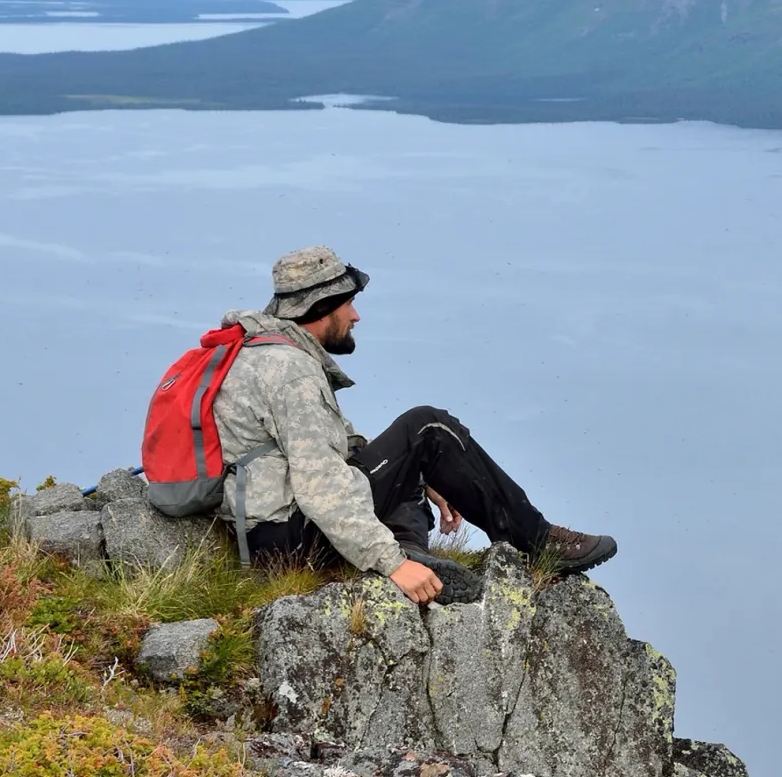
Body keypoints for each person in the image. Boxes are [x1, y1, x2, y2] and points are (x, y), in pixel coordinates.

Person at [212, 245, 616, 603]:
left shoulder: (260, 355)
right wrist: (391, 565)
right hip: (290, 543)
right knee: (428, 428)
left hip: (269, 533)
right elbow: (320, 486)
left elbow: (337, 451)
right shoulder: (290, 372)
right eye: (348, 304)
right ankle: (539, 541)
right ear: (321, 307)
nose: (356, 316)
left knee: (403, 460)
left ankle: (413, 550)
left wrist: (418, 474)